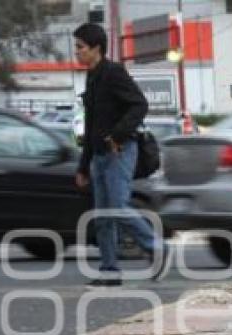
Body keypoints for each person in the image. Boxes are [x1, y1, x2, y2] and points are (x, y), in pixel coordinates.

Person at [73, 23, 171, 287]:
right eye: (76, 47)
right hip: (99, 155)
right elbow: (91, 123)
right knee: (103, 216)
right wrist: (83, 166)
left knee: (118, 206)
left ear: (96, 48)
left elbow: (139, 104)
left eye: (80, 47)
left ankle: (156, 247)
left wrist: (117, 135)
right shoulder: (91, 77)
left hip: (121, 151)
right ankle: (109, 270)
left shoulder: (114, 72)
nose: (77, 53)